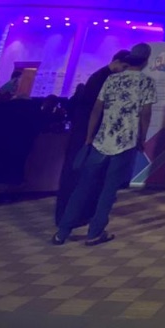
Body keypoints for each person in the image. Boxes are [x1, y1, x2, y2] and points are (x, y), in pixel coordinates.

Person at [53, 50, 157, 246]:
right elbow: (145, 114)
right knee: (109, 190)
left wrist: (90, 136)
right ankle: (95, 232)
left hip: (101, 140)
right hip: (125, 141)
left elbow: (97, 109)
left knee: (82, 186)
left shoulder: (112, 79)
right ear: (145, 62)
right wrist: (142, 137)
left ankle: (62, 232)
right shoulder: (147, 82)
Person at [55, 50, 130, 227]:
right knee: (79, 176)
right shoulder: (102, 79)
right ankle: (71, 216)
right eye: (124, 67)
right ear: (116, 62)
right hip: (88, 135)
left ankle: (76, 215)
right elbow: (96, 110)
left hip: (87, 134)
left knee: (82, 175)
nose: (125, 71)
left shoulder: (100, 77)